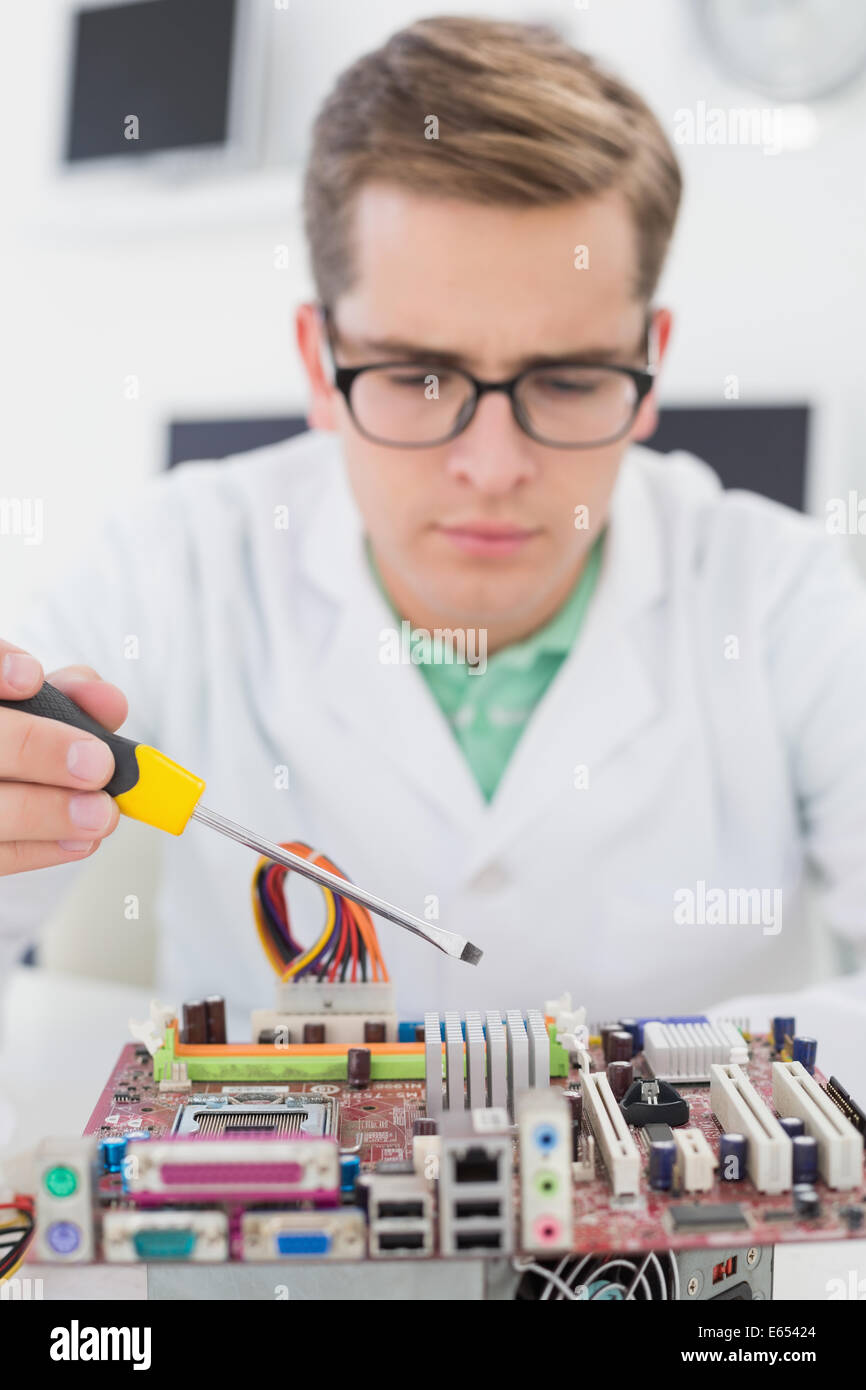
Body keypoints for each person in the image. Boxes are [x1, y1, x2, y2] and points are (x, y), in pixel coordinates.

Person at [1, 17, 865, 1035]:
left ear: (649, 364)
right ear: (319, 362)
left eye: (569, 379)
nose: (493, 468)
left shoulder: (784, 599)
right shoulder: (174, 561)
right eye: (417, 376)